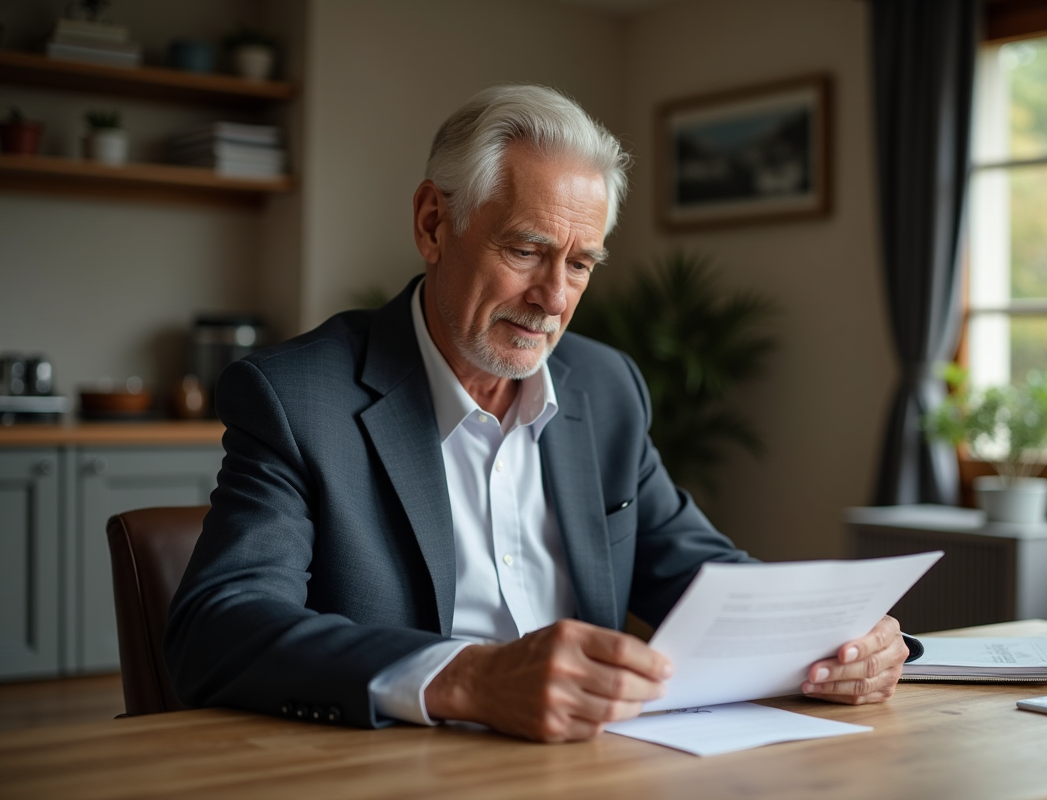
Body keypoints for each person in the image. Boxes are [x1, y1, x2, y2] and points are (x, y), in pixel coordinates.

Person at [164, 84, 909, 743]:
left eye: (580, 264)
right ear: (432, 224)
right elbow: (218, 626)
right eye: (526, 250)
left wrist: (840, 642)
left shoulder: (606, 387)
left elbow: (697, 572)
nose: (554, 298)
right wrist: (469, 678)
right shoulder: (297, 397)